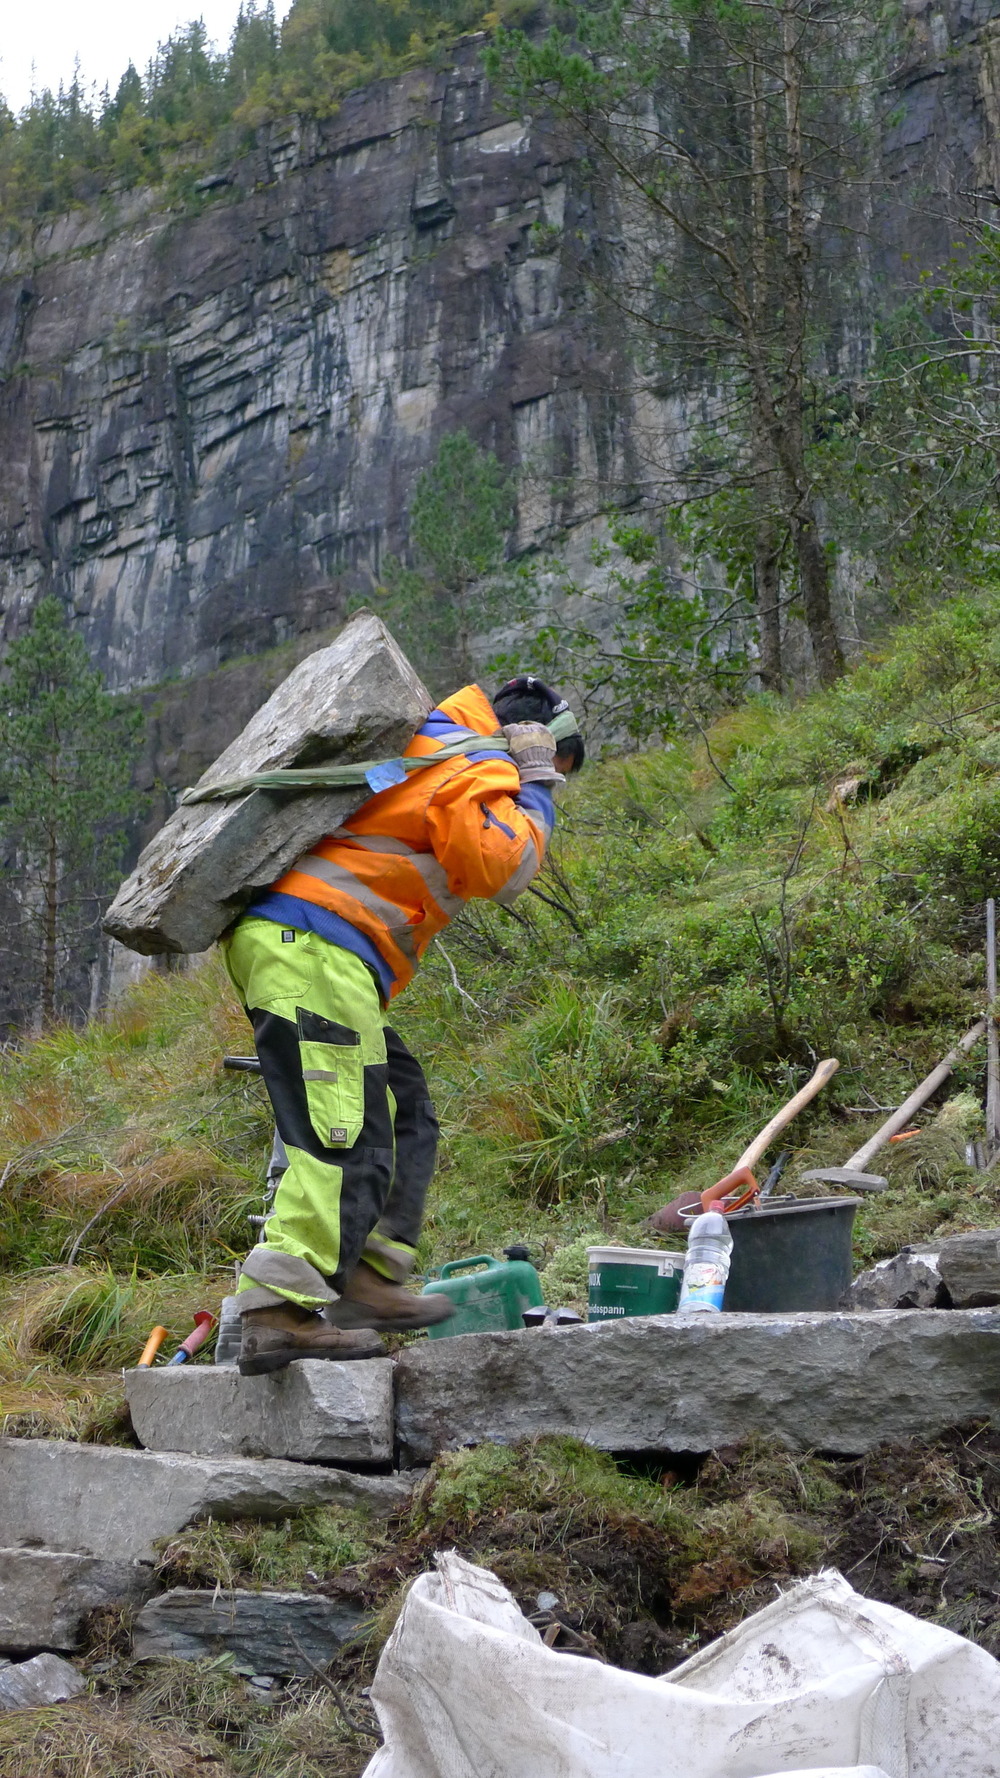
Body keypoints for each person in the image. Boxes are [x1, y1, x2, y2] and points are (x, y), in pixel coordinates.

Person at [221, 674, 584, 1374]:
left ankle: (368, 1280)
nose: (541, 791)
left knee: (405, 1104)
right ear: (538, 743)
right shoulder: (473, 760)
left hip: (322, 951)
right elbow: (502, 866)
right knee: (342, 1126)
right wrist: (536, 784)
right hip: (314, 946)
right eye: (556, 770)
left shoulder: (448, 752)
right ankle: (274, 1310)